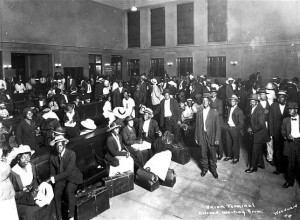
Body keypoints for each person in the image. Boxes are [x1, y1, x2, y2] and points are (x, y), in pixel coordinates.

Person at [11, 145, 53, 220]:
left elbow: (34, 181)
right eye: (24, 157)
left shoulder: (31, 166)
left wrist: (35, 190)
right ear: (18, 158)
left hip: (32, 194)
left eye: (28, 156)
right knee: (30, 212)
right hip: (20, 199)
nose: (27, 160)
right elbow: (13, 195)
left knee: (48, 202)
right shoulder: (13, 173)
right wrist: (24, 192)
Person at [47, 135, 83, 220]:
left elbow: (67, 172)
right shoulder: (53, 156)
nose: (59, 148)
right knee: (56, 192)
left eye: (60, 145)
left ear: (64, 145)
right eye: (57, 145)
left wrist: (53, 179)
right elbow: (52, 172)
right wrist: (51, 179)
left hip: (73, 177)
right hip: (61, 178)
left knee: (69, 190)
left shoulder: (71, 154)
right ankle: (59, 217)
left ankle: (71, 217)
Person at [195, 93, 221, 179]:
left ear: (209, 102)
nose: (205, 102)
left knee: (212, 154)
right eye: (204, 100)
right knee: (203, 153)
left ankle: (213, 170)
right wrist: (196, 137)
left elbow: (218, 127)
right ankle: (205, 168)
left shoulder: (214, 113)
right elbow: (197, 126)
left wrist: (217, 138)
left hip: (211, 136)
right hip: (202, 135)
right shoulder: (199, 113)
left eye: (207, 101)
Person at [245, 94, 270, 173]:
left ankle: (253, 167)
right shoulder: (251, 108)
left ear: (256, 102)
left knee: (255, 150)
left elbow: (261, 124)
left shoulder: (260, 110)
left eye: (253, 101)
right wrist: (249, 127)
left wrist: (252, 129)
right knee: (257, 149)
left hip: (260, 133)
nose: (251, 103)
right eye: (250, 101)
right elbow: (249, 120)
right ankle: (261, 164)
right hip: (254, 132)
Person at [269, 90, 289, 174]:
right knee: (277, 150)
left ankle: (286, 169)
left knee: (286, 151)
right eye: (279, 97)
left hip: (286, 133)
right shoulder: (273, 105)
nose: (280, 98)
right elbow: (270, 119)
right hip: (276, 132)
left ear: (285, 98)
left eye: (282, 97)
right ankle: (279, 168)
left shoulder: (290, 106)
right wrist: (271, 131)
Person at [281, 102, 300, 188]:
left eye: (291, 109)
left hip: (299, 142)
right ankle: (290, 181)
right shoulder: (285, 120)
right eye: (288, 109)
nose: (289, 111)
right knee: (290, 163)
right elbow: (283, 131)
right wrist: (286, 135)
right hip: (290, 143)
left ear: (296, 110)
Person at [224, 95, 244, 164]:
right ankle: (229, 156)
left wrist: (236, 129)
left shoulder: (239, 111)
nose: (231, 102)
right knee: (228, 142)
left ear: (236, 102)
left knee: (235, 144)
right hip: (228, 127)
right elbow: (227, 117)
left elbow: (241, 123)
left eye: (233, 101)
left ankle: (236, 157)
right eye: (231, 101)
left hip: (234, 129)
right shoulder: (229, 108)